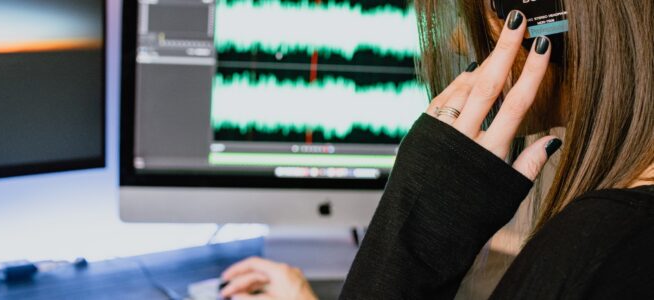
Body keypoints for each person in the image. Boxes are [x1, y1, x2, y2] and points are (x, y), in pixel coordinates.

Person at [219, 0, 654, 299]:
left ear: (545, 18)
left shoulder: (594, 248)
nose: (460, 44)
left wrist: (415, 232)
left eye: (483, 10)